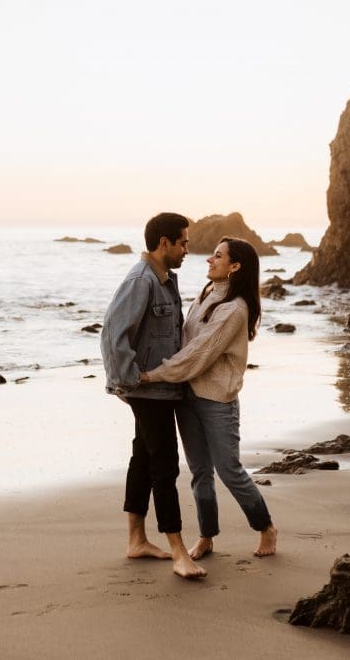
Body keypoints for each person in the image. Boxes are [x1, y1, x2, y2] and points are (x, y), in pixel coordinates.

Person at [139, 236, 277, 559]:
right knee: (200, 470)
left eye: (218, 256)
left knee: (229, 469)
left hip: (218, 401)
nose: (209, 260)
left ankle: (266, 527)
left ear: (234, 266)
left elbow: (198, 354)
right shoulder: (205, 294)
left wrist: (153, 374)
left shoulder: (235, 310)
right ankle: (206, 536)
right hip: (188, 396)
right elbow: (183, 341)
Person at [100, 212, 206, 579]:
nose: (187, 249)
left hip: (161, 388)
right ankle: (178, 550)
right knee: (164, 465)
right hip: (149, 390)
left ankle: (136, 540)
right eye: (183, 242)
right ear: (164, 243)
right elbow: (112, 334)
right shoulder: (141, 281)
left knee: (143, 458)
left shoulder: (164, 281)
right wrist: (129, 383)